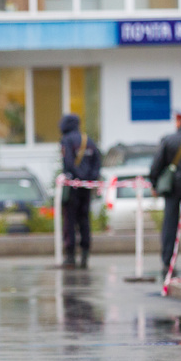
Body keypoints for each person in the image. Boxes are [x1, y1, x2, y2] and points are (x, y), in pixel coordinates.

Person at [149, 110, 181, 277]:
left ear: (178, 122)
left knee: (170, 223)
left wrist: (154, 183)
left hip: (172, 187)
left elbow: (157, 164)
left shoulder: (168, 140)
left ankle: (167, 261)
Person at [59, 114, 101, 269]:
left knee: (69, 219)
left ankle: (70, 255)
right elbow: (97, 161)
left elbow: (68, 162)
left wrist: (77, 177)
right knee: (84, 219)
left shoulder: (67, 140)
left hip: (73, 187)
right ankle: (85, 252)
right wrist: (89, 179)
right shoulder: (88, 140)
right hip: (86, 187)